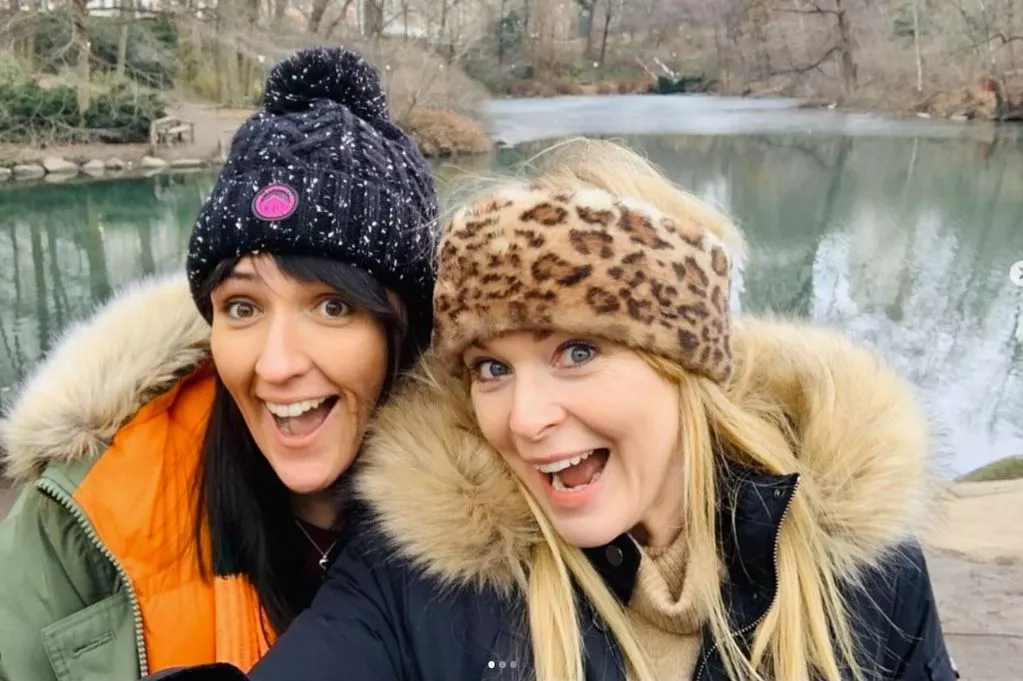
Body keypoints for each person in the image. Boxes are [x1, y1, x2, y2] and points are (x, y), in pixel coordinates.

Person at [156, 138, 958, 681]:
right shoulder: (424, 578)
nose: (525, 418)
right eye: (492, 367)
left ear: (682, 362)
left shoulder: (861, 574)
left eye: (576, 351)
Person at [0, 45, 437, 681]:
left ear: (408, 328)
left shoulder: (517, 505)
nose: (276, 365)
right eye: (242, 307)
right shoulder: (80, 517)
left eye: (333, 306)